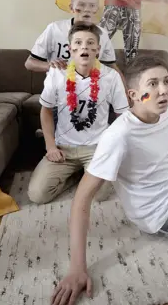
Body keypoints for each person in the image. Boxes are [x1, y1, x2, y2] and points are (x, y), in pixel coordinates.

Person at [49, 54, 168, 305]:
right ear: (133, 95)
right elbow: (82, 198)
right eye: (153, 84)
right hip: (167, 215)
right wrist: (77, 268)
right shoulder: (119, 136)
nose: (164, 90)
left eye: (167, 82)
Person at [27, 23, 129, 205]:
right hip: (64, 148)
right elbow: (46, 110)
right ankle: (75, 176)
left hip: (97, 149)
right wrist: (51, 147)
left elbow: (122, 115)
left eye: (90, 43)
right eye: (79, 43)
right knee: (38, 195)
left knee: (99, 196)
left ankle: (86, 174)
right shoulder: (57, 73)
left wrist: (113, 148)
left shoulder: (111, 77)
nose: (84, 47)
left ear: (98, 50)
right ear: (70, 49)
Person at [24, 0, 121, 74]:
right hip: (60, 88)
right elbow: (29, 63)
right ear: (71, 8)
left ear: (97, 9)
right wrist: (50, 66)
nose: (87, 9)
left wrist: (126, 91)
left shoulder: (102, 34)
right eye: (81, 5)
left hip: (91, 89)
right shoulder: (54, 29)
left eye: (92, 5)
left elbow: (112, 67)